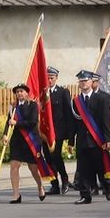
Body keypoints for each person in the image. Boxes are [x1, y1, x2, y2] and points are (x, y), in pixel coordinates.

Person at [72, 70, 110, 205]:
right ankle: (85, 195)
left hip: (97, 140)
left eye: (86, 80)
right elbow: (72, 123)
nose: (83, 83)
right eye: (81, 81)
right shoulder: (76, 101)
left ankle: (106, 185)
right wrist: (71, 141)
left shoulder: (101, 98)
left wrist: (108, 140)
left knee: (100, 167)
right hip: (83, 141)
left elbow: (106, 120)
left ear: (91, 82)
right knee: (83, 170)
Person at [1, 84, 47, 203]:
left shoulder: (32, 105)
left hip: (31, 140)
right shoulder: (13, 106)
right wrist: (5, 134)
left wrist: (17, 123)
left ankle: (39, 186)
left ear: (26, 93)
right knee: (14, 166)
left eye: (21, 91)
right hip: (17, 141)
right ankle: (16, 194)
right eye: (17, 92)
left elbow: (32, 122)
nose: (19, 94)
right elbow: (9, 122)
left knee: (33, 168)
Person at [43, 67, 74, 195]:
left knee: (56, 156)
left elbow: (68, 114)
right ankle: (54, 184)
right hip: (45, 132)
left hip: (58, 132)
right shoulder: (42, 93)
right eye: (48, 78)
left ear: (56, 78)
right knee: (48, 158)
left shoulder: (62, 92)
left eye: (52, 78)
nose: (49, 80)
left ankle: (64, 179)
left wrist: (71, 137)